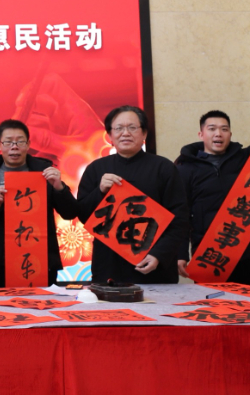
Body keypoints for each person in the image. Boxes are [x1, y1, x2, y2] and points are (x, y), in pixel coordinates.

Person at [75, 105, 189, 285]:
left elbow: (180, 219)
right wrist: (99, 192)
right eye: (119, 128)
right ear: (110, 135)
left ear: (144, 134)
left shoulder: (164, 168)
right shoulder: (96, 169)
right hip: (108, 266)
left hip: (154, 267)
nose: (125, 133)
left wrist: (159, 255)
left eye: (132, 127)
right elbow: (82, 214)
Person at [0, 119, 80, 288]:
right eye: (8, 142)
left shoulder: (45, 172)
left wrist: (59, 187)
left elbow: (70, 213)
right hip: (1, 262)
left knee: (43, 304)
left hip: (42, 260)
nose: (14, 147)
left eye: (20, 141)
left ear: (28, 144)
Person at [174, 110, 250, 286]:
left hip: (247, 252)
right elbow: (181, 214)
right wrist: (180, 254)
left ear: (230, 134)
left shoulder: (245, 159)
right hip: (209, 255)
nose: (218, 133)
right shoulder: (185, 169)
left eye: (224, 129)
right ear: (201, 134)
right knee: (213, 302)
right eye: (212, 129)